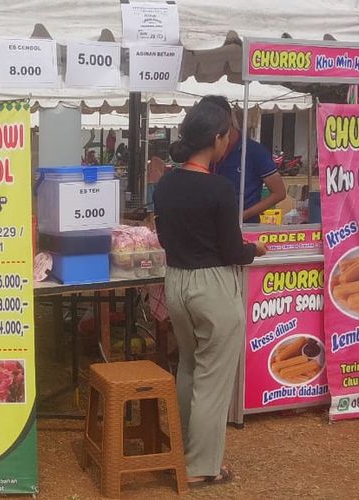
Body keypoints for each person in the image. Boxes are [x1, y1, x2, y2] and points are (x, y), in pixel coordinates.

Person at [152, 99, 267, 487]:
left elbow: (165, 236)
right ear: (217, 139)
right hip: (213, 286)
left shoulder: (165, 183)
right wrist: (257, 250)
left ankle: (186, 450)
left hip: (177, 282)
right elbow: (235, 251)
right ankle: (202, 466)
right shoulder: (219, 188)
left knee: (189, 367)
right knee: (213, 381)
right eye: (228, 133)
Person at [200, 95, 286, 223]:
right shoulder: (206, 148)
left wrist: (243, 215)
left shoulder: (254, 151)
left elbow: (279, 193)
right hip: (211, 223)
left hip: (244, 226)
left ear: (227, 120)